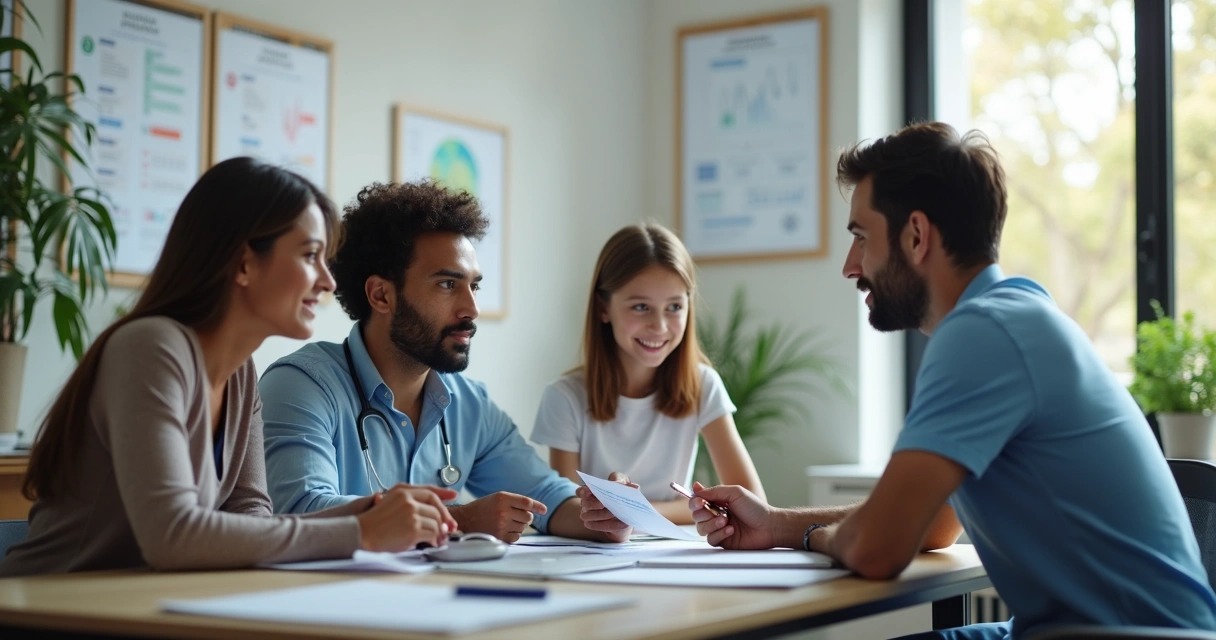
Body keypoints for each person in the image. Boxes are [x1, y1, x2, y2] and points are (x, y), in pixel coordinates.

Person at [686, 122, 1216, 639]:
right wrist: (776, 524)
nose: (851, 266)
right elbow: (939, 523)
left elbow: (878, 548)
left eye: (861, 237)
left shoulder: (984, 334)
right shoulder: (1014, 313)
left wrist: (814, 535)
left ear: (916, 235)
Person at [0, 158, 457, 577]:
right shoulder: (151, 348)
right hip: (53, 612)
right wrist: (365, 533)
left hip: (146, 608)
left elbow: (251, 523)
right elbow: (173, 536)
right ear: (243, 262)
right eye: (308, 255)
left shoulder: (239, 375)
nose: (328, 281)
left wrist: (373, 510)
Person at [259, 181, 630, 543]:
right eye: (447, 285)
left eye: (474, 286)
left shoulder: (470, 405)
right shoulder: (301, 385)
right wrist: (459, 520)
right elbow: (300, 511)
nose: (472, 309)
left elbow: (547, 497)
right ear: (381, 295)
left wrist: (604, 516)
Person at [530, 223, 764, 523]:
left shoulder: (703, 384)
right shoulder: (565, 397)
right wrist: (680, 510)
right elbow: (566, 511)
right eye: (641, 307)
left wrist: (633, 510)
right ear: (603, 308)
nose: (660, 326)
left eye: (674, 307)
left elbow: (752, 502)